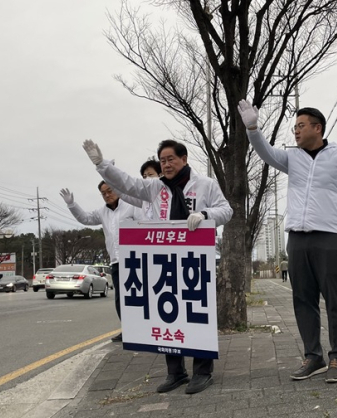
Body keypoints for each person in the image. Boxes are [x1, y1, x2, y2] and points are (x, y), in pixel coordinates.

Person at [82, 138, 232, 395]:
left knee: (196, 313)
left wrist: (206, 215)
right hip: (163, 260)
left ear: (184, 159)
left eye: (170, 159)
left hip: (195, 260)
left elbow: (226, 210)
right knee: (167, 313)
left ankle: (202, 371)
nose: (166, 164)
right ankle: (175, 372)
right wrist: (101, 164)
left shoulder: (205, 184)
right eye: (162, 160)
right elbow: (125, 183)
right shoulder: (154, 188)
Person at [238, 99, 337, 384]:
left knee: (335, 300)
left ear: (317, 128)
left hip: (329, 237)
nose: (296, 131)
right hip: (297, 239)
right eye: (294, 126)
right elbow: (266, 153)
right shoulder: (291, 157)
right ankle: (313, 356)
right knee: (302, 299)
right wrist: (252, 128)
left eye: (301, 126)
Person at [59, 182, 136, 342]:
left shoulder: (131, 206)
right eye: (103, 193)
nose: (107, 195)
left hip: (135, 260)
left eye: (110, 190)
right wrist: (72, 204)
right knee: (120, 299)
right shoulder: (102, 212)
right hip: (116, 262)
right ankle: (128, 330)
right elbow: (85, 218)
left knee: (137, 296)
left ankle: (143, 329)